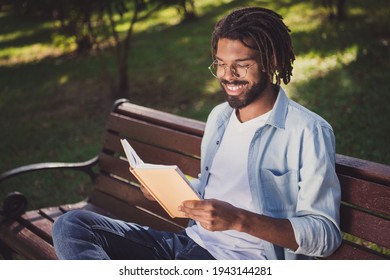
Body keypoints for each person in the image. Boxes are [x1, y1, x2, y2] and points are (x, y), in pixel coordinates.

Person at [52, 6, 342, 260]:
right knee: (72, 226)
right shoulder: (220, 117)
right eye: (220, 64)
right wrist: (169, 189)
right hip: (188, 245)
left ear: (272, 60)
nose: (228, 76)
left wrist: (239, 220)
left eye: (241, 65)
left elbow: (326, 234)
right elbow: (211, 187)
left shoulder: (307, 131)